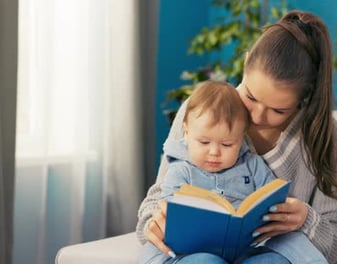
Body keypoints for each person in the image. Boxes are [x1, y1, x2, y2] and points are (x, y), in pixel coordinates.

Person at [137, 10, 337, 263]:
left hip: (269, 253)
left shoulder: (327, 139)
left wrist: (306, 219)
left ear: (305, 97)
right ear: (246, 64)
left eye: (278, 110)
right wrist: (154, 221)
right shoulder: (202, 110)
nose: (258, 116)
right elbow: (157, 197)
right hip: (194, 252)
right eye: (250, 96)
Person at [140, 80, 327, 264]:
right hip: (190, 253)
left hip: (245, 250)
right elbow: (168, 211)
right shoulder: (181, 169)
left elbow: (270, 196)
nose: (214, 152)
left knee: (274, 259)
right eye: (204, 142)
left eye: (227, 144)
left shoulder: (252, 165)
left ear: (241, 139)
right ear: (187, 133)